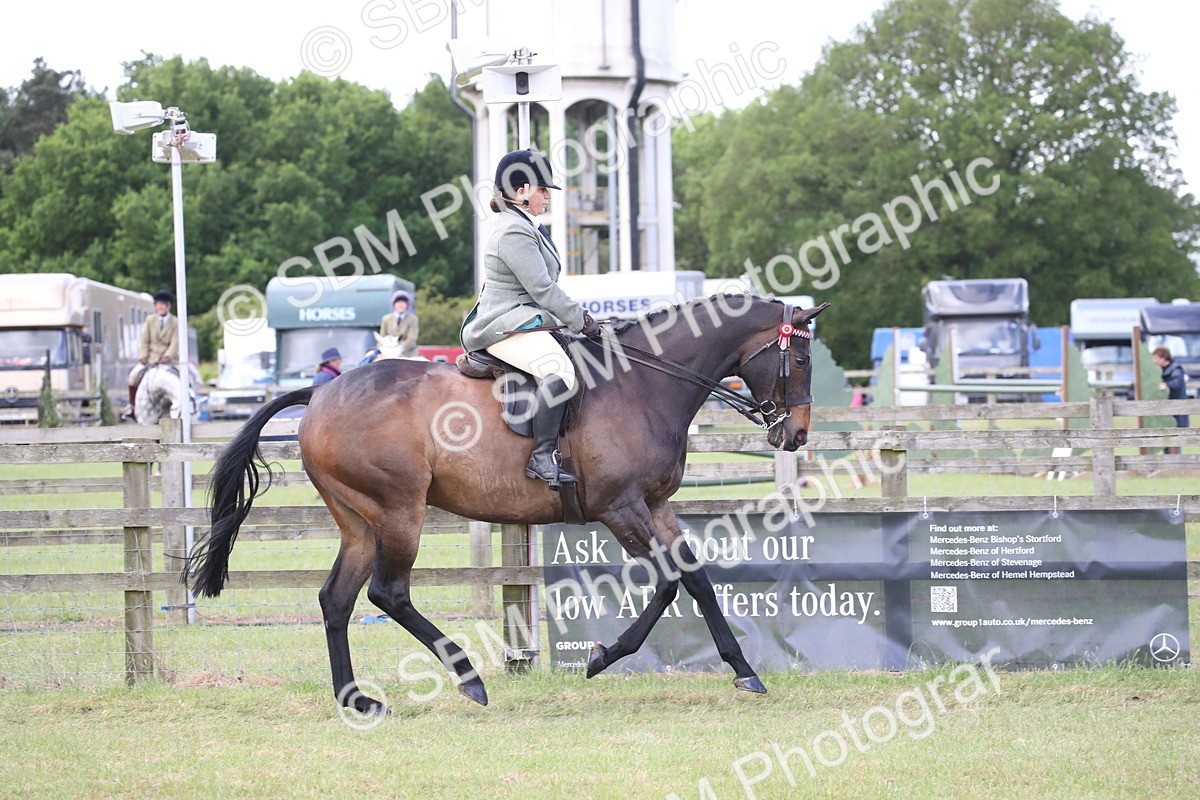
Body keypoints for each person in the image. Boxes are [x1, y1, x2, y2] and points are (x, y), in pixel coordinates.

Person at [460, 148, 600, 488]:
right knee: (559, 371)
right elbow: (542, 289)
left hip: (524, 319)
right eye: (542, 189)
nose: (548, 195)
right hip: (502, 326)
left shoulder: (526, 225)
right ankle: (542, 457)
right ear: (520, 191)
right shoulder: (513, 231)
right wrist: (582, 320)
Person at [123, 289, 178, 420]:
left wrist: (168, 356)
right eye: (158, 304)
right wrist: (142, 356)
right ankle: (132, 405)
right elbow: (144, 340)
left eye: (163, 304)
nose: (160, 307)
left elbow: (175, 343)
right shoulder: (150, 320)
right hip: (151, 360)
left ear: (168, 306)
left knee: (186, 378)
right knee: (133, 376)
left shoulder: (175, 322)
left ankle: (189, 402)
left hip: (168, 361)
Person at [1153, 346, 1188, 454]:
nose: (1155, 361)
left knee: (1176, 440)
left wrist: (1166, 385)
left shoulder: (1176, 369)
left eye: (1156, 358)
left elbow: (1177, 383)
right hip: (1168, 410)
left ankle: (1176, 467)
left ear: (1163, 358)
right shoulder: (1162, 371)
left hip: (1177, 409)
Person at [379, 290, 420, 357]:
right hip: (388, 351)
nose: (401, 305)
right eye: (398, 302)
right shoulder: (386, 319)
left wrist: (400, 348)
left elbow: (412, 338)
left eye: (403, 303)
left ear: (407, 305)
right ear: (394, 304)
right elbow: (382, 337)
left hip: (408, 353)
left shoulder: (413, 319)